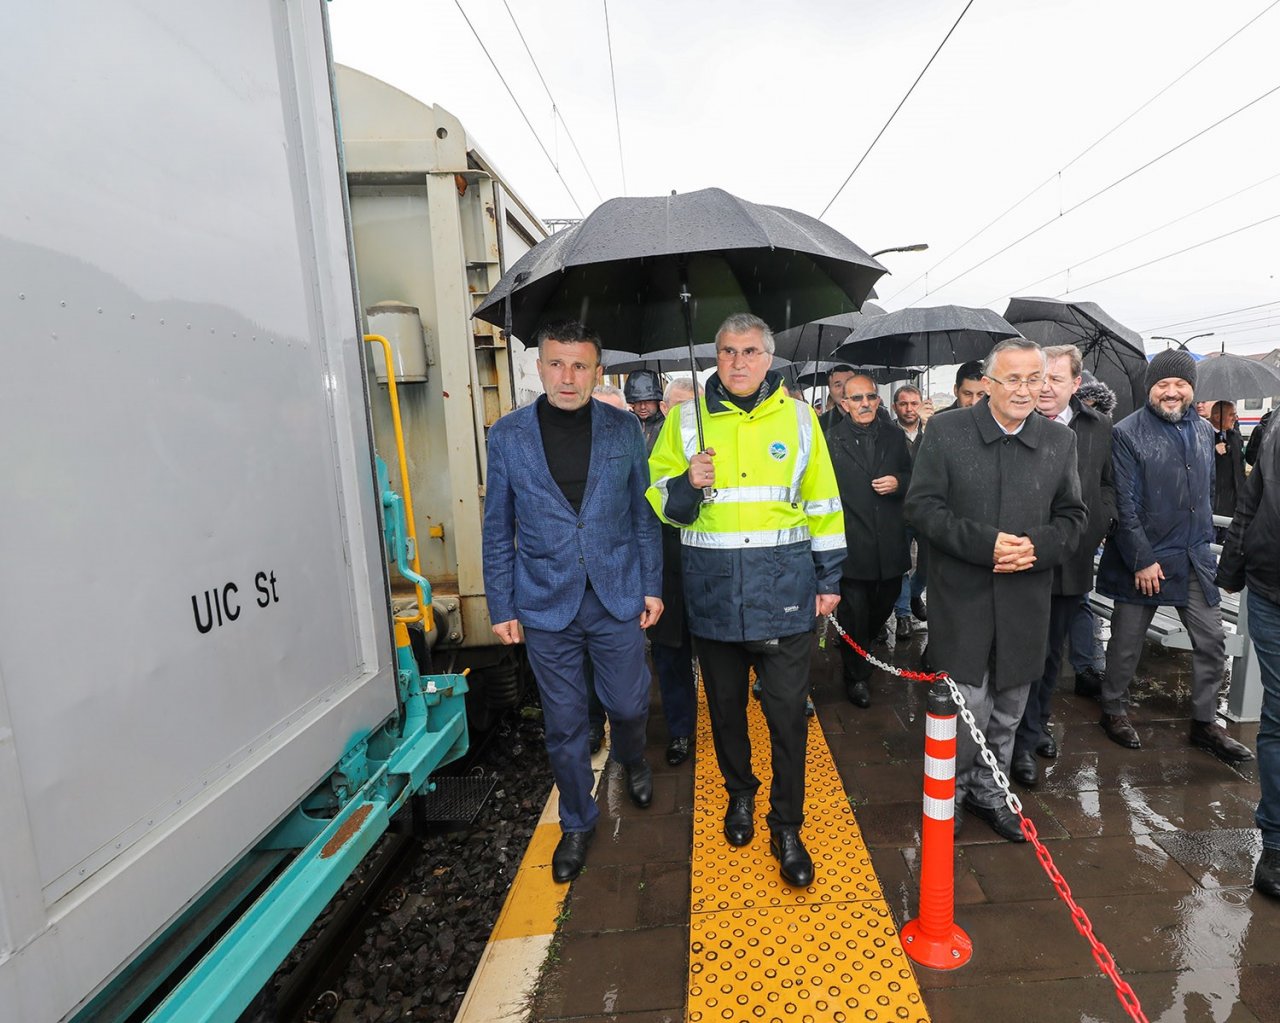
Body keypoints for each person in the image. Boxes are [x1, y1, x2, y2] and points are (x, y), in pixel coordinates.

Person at [647, 312, 844, 887]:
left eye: (750, 351)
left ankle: (787, 824)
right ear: (715, 355)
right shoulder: (685, 421)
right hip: (713, 596)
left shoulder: (802, 419)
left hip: (784, 595)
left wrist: (829, 580)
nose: (738, 362)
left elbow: (824, 505)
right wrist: (688, 481)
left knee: (787, 718)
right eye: (728, 351)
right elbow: (659, 499)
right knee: (727, 713)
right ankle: (739, 793)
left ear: (769, 358)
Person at [482, 320, 663, 883]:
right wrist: (501, 604)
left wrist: (652, 584)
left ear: (597, 371)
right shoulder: (508, 435)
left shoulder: (621, 429)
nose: (567, 376)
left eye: (580, 365)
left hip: (616, 595)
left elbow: (643, 513)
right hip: (544, 603)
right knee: (563, 725)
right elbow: (497, 527)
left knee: (630, 706)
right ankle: (578, 821)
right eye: (556, 363)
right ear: (539, 367)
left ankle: (632, 758)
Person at [905, 337, 1087, 842]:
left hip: (1025, 598)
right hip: (961, 597)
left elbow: (1073, 517)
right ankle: (951, 794)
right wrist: (987, 545)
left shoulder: (1058, 442)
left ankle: (992, 791)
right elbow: (921, 508)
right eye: (1014, 378)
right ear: (988, 384)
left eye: (1038, 378)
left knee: (1009, 707)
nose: (1027, 389)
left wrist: (1036, 546)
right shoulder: (946, 431)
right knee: (966, 706)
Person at [1094, 349, 1253, 763]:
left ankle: (1204, 723)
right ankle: (1113, 710)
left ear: (1191, 389)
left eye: (1180, 384)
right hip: (1145, 558)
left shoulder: (1203, 430)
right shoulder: (1127, 432)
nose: (1171, 391)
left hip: (1194, 556)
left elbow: (1205, 494)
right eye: (1162, 384)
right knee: (1126, 643)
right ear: (1151, 388)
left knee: (1212, 640)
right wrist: (1142, 558)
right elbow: (1124, 506)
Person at [1010, 345, 1115, 787]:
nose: (1046, 387)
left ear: (1077, 384)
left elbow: (1108, 485)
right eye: (1040, 377)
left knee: (1052, 653)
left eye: (1056, 379)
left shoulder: (1099, 429)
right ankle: (1010, 736)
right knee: (1018, 651)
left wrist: (1094, 526)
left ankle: (1034, 729)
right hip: (1022, 559)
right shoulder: (1015, 425)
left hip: (1071, 562)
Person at [1216, 423, 1280, 899]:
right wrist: (1233, 565)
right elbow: (1252, 497)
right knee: (1278, 714)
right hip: (1271, 586)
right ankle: (1276, 842)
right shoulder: (1278, 423)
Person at [827, 375, 912, 707]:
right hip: (852, 545)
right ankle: (856, 676)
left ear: (878, 401)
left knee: (884, 604)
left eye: (870, 397)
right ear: (844, 403)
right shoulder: (832, 440)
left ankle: (860, 644)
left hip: (890, 543)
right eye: (856, 398)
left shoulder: (894, 436)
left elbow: (914, 475)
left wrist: (899, 483)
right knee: (854, 614)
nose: (864, 404)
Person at [647, 376, 702, 766]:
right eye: (680, 408)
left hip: (707, 572)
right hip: (666, 573)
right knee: (670, 659)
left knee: (720, 662)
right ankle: (681, 730)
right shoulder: (646, 451)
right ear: (666, 409)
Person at [891, 384, 929, 636]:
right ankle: (903, 613)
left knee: (927, 564)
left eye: (914, 403)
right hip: (898, 510)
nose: (909, 409)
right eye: (903, 404)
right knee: (902, 564)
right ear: (895, 406)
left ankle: (915, 594)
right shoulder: (888, 434)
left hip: (927, 512)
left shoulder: (933, 430)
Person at [1210, 400, 1246, 540]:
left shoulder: (1235, 436)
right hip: (1214, 502)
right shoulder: (1203, 436)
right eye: (1231, 415)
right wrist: (1212, 450)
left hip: (1234, 502)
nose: (1235, 418)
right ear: (1218, 417)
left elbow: (1240, 467)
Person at [625, 368, 666, 449]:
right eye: (637, 401)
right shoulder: (625, 424)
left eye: (648, 401)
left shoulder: (666, 424)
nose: (642, 407)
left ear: (657, 401)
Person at [817, 364, 857, 433]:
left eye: (849, 383)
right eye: (838, 385)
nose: (844, 390)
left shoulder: (876, 417)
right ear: (830, 390)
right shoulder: (821, 424)